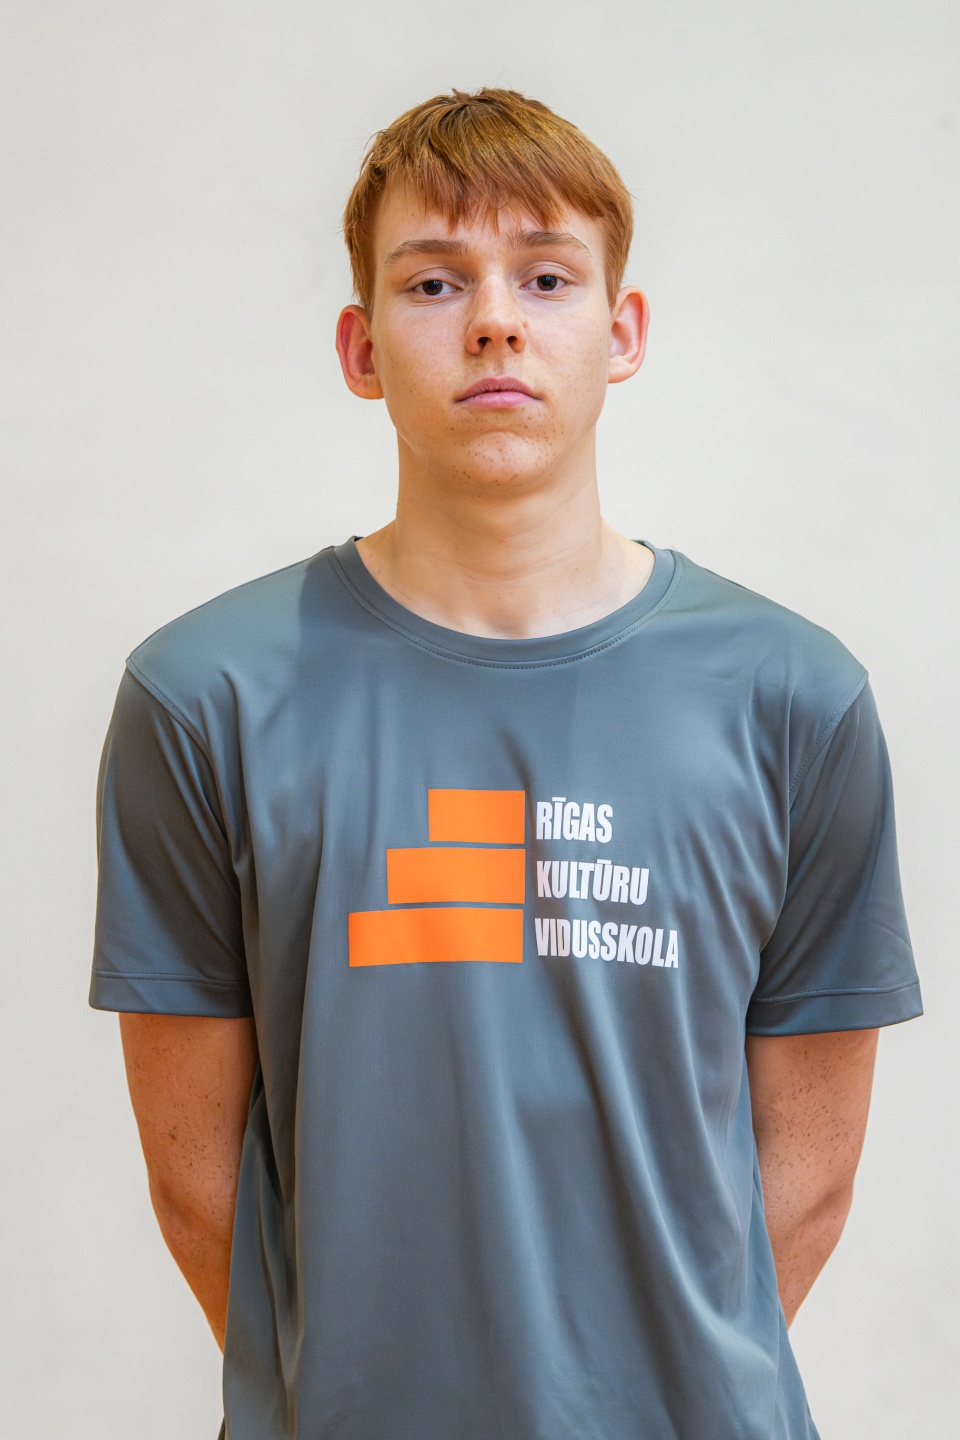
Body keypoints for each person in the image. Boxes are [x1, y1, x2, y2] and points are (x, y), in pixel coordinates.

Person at [90, 88, 922, 1440]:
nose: (493, 321)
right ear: (360, 347)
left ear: (621, 331)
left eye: (546, 275)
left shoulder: (795, 699)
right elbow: (197, 1188)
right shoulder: (205, 697)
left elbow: (810, 1174)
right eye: (434, 281)